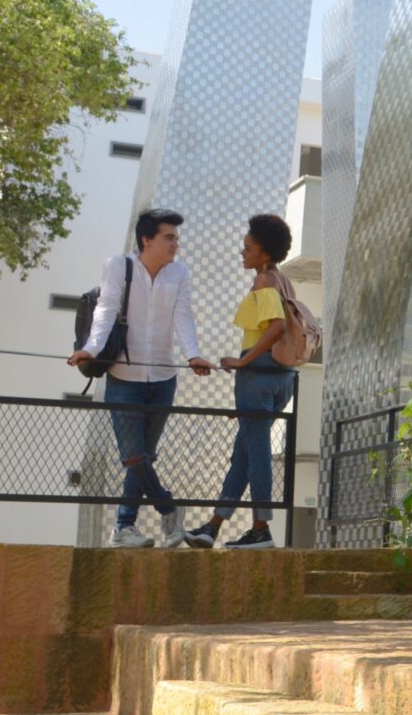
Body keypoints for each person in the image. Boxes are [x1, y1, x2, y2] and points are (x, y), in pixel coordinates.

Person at [68, 208, 213, 549]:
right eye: (169, 237)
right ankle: (168, 508)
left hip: (163, 378)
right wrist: (90, 347)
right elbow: (105, 310)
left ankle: (124, 527)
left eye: (176, 238)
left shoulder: (179, 274)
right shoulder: (118, 266)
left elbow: (184, 316)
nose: (176, 244)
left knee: (144, 455)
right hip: (124, 377)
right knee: (133, 455)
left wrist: (192, 354)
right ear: (147, 239)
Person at [181, 213, 300, 551]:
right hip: (281, 381)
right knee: (244, 455)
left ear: (265, 253)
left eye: (248, 247)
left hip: (257, 378)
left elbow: (275, 326)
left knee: (258, 454)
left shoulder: (265, 281)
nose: (241, 252)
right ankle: (212, 527)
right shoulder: (283, 280)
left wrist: (242, 360)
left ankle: (260, 530)